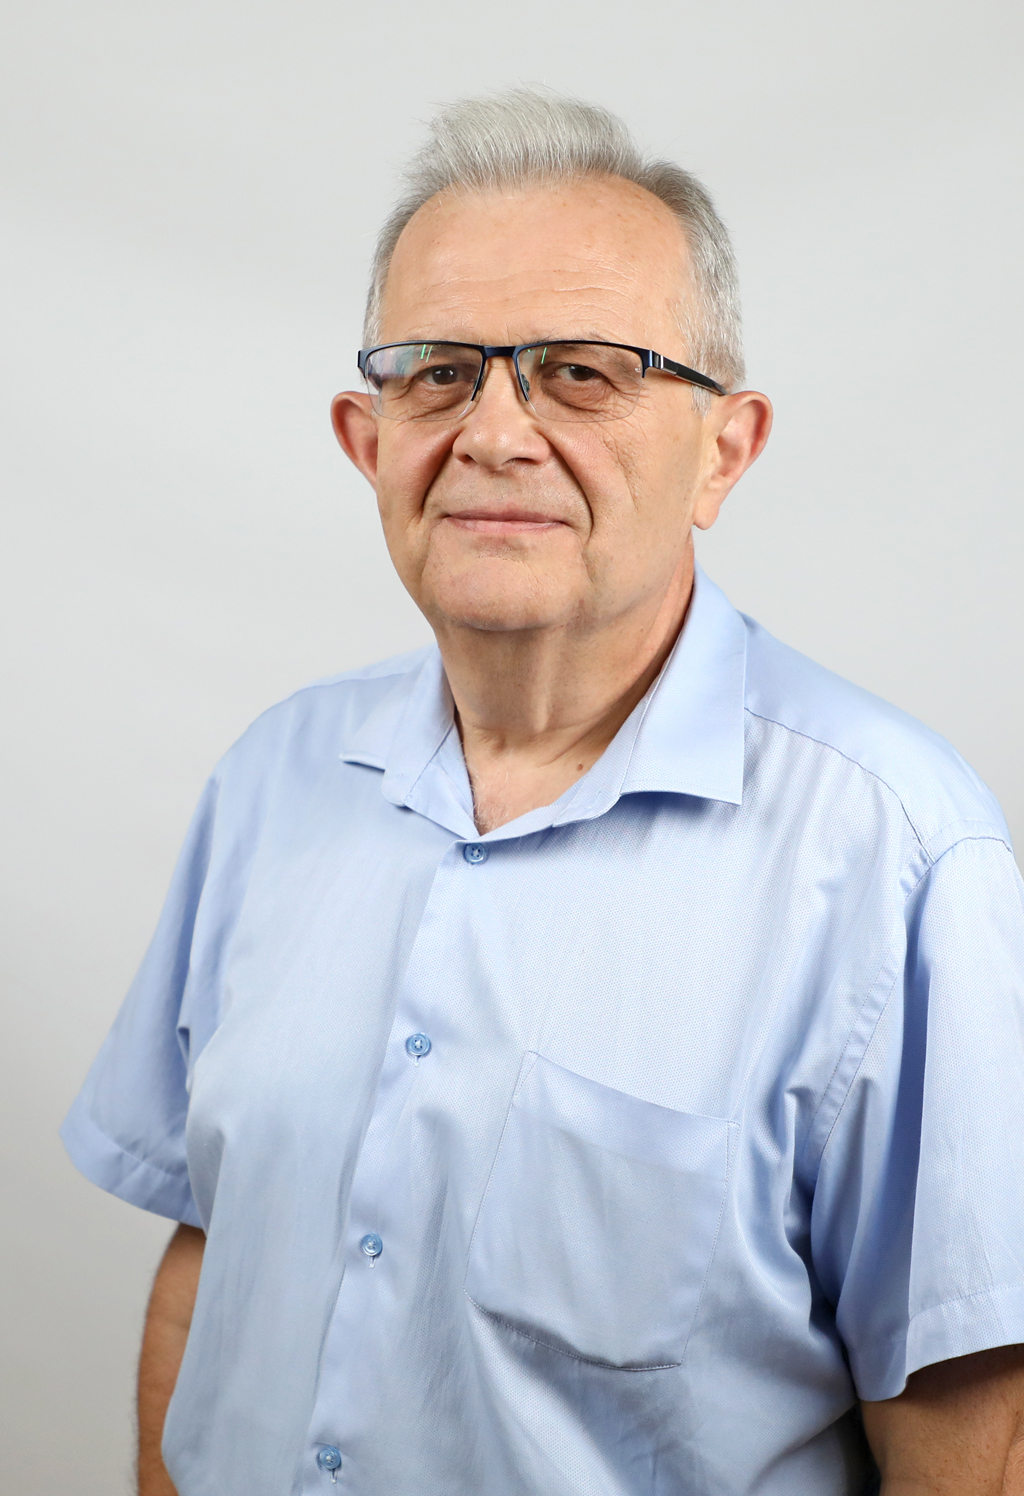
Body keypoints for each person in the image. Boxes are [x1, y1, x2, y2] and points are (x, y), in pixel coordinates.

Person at [62, 89, 1024, 1496]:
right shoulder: (272, 779)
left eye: (582, 372)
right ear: (367, 440)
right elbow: (209, 1264)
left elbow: (967, 1421)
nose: (496, 433)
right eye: (438, 373)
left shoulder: (899, 856)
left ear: (725, 450)